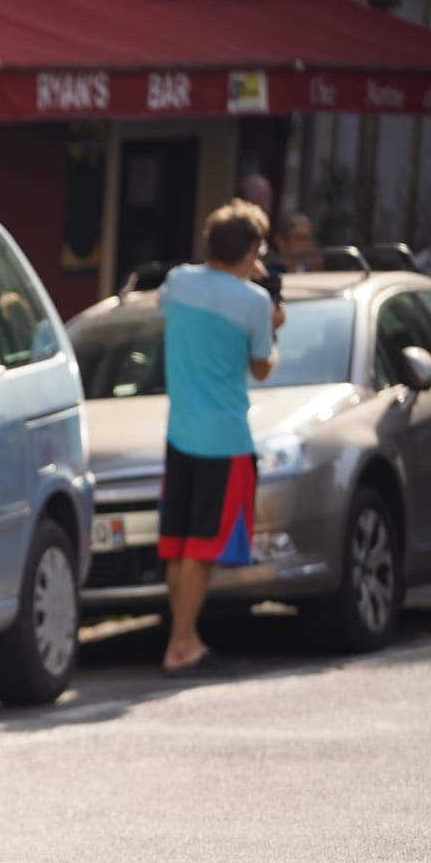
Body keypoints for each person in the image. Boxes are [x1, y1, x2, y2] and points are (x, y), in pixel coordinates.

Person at [156, 199, 283, 675]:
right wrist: (272, 328)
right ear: (251, 249)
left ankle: (182, 637)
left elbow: (166, 311)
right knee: (203, 550)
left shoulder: (178, 282)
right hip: (225, 438)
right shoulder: (254, 303)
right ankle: (183, 644)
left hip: (180, 431)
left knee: (179, 542)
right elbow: (262, 366)